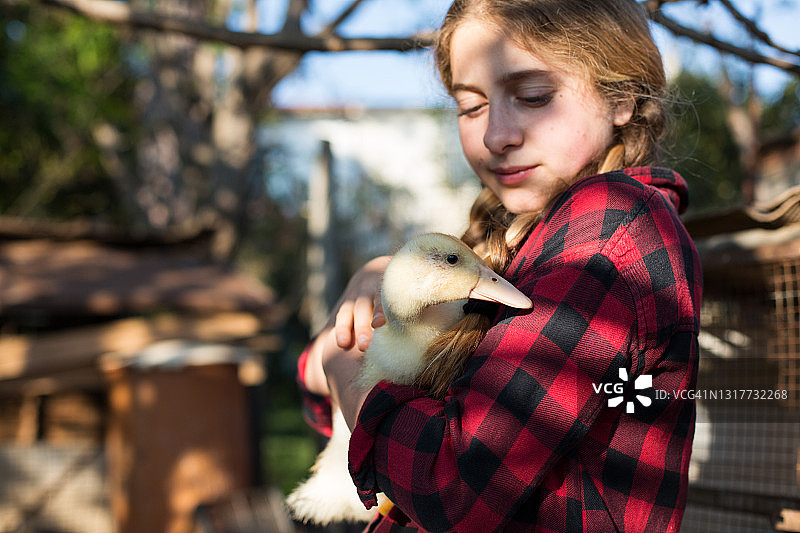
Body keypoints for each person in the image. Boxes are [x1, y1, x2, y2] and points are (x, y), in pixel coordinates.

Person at [298, 0, 702, 531]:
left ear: (621, 97)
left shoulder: (612, 227)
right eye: (470, 107)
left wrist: (340, 363)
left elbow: (452, 486)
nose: (495, 135)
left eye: (533, 96)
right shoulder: (519, 240)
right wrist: (369, 287)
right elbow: (325, 400)